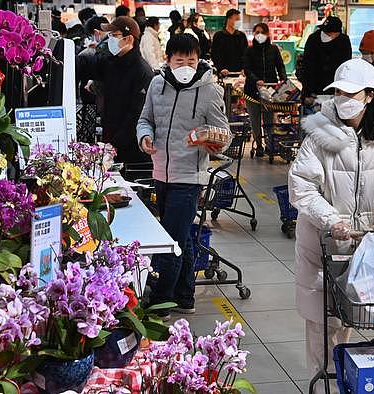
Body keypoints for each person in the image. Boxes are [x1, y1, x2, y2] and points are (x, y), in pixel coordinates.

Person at [289, 58, 374, 379]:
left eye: (351, 93)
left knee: (347, 317)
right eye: (339, 93)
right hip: (321, 243)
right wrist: (332, 220)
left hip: (361, 247)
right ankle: (323, 382)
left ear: (370, 96)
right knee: (320, 322)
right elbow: (302, 188)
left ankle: (341, 379)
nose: (343, 100)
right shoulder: (318, 137)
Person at [137, 34, 229, 320]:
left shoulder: (210, 90)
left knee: (169, 239)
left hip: (190, 176)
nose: (187, 65)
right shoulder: (156, 84)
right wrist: (145, 138)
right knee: (181, 238)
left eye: (192, 59)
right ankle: (185, 296)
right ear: (168, 60)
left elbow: (223, 133)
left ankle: (161, 299)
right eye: (180, 60)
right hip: (160, 171)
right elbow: (145, 120)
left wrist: (213, 141)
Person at [77, 16, 154, 164]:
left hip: (132, 150)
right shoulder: (111, 62)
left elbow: (136, 115)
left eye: (114, 35)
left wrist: (114, 144)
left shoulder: (142, 71)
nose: (110, 39)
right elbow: (88, 67)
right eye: (109, 35)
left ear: (129, 39)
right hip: (110, 143)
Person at [243, 23, 287, 157]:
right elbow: (247, 69)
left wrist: (283, 79)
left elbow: (280, 66)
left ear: (267, 34)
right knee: (255, 119)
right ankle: (258, 145)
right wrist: (256, 80)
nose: (259, 35)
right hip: (252, 90)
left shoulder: (274, 49)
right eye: (256, 32)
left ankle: (269, 144)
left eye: (262, 32)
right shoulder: (249, 50)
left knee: (269, 120)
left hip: (269, 90)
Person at [300, 16, 352, 107]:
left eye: (328, 33)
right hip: (314, 93)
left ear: (337, 34)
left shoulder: (344, 42)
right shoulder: (313, 39)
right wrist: (307, 93)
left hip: (334, 92)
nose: (324, 34)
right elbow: (307, 67)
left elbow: (345, 68)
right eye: (324, 31)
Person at [211, 9, 248, 76]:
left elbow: (246, 54)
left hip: (240, 74)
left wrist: (244, 68)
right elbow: (214, 54)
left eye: (239, 20)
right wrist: (220, 68)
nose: (238, 22)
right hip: (223, 73)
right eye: (236, 19)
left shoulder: (242, 36)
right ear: (228, 19)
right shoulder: (219, 35)